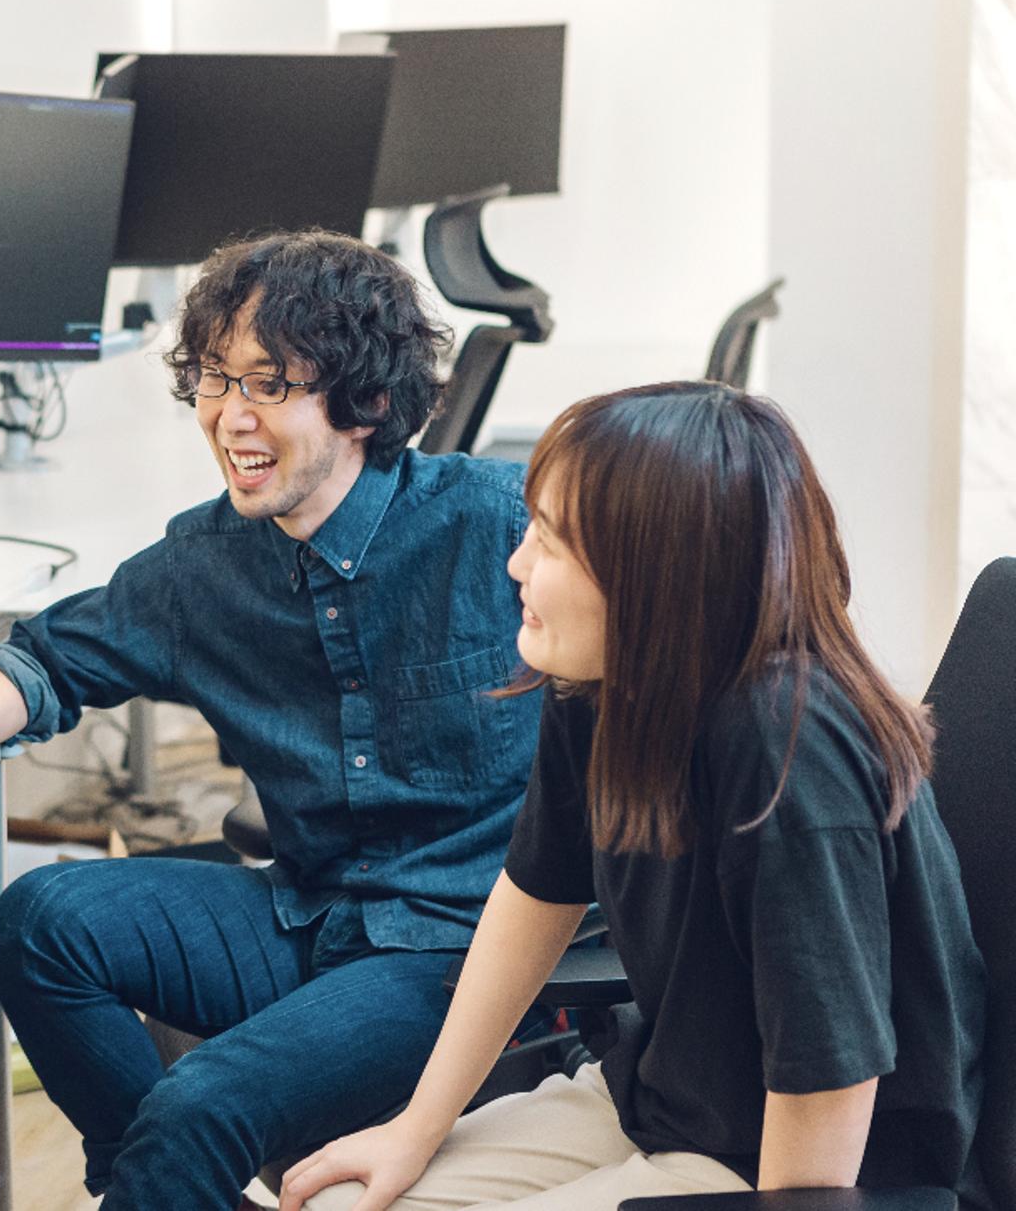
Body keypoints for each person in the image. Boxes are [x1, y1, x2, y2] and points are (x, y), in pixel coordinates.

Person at [0, 230, 542, 1208]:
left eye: (269, 383)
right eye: (216, 378)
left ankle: (162, 1174)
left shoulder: (500, 524)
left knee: (196, 1106)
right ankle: (161, 1182)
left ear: (367, 403)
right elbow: (44, 660)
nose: (229, 415)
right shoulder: (204, 565)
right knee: (39, 922)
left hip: (458, 950)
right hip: (309, 909)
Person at [280, 381, 987, 1211]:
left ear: (650, 573)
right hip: (670, 1095)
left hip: (799, 1161)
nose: (516, 565)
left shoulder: (784, 754)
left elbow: (831, 1080)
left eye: (549, 542)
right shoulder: (600, 675)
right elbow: (535, 895)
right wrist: (415, 1127)